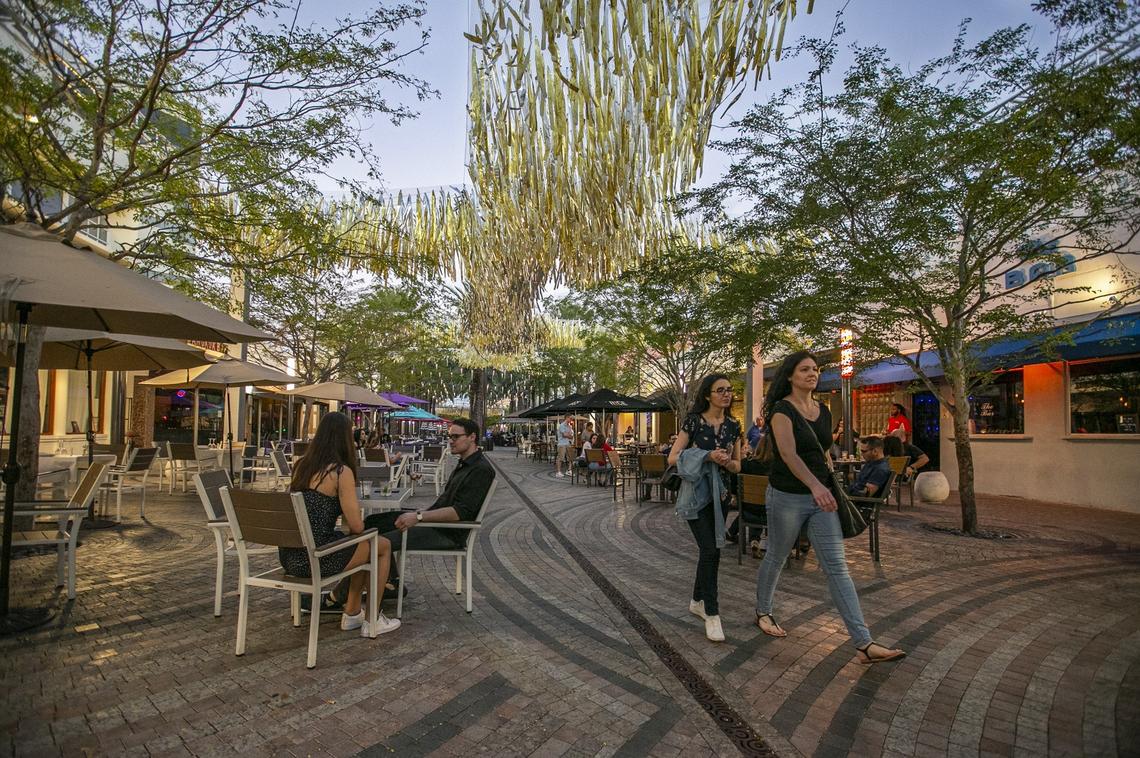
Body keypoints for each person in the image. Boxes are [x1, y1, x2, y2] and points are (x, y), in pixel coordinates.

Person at [753, 351, 905, 664]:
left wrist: (827, 474)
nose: (812, 373)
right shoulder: (782, 410)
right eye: (804, 369)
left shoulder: (822, 410)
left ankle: (864, 643)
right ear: (790, 376)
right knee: (777, 555)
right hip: (787, 495)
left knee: (837, 567)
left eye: (816, 369)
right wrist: (816, 486)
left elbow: (820, 450)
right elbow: (788, 454)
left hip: (821, 498)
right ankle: (763, 611)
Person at [279, 412, 400, 637]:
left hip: (290, 557)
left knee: (360, 545)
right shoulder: (340, 471)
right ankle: (372, 620)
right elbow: (356, 526)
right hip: (316, 558)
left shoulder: (301, 466)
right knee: (380, 545)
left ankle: (353, 612)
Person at [363, 417, 496, 594]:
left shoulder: (481, 470)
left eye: (455, 437)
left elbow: (459, 512)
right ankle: (391, 583)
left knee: (376, 543)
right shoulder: (464, 464)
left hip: (447, 532)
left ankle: (343, 596)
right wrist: (420, 514)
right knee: (372, 523)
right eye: (449, 437)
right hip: (433, 523)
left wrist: (418, 516)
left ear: (472, 437)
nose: (451, 441)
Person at [668, 374, 742, 643]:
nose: (726, 394)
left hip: (720, 495)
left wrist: (726, 462)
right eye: (720, 390)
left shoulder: (734, 426)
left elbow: (738, 465)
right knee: (711, 550)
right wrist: (707, 456)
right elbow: (673, 457)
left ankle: (697, 600)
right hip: (695, 495)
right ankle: (712, 613)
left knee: (710, 551)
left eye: (729, 389)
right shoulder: (694, 421)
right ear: (708, 395)